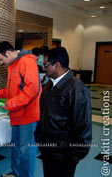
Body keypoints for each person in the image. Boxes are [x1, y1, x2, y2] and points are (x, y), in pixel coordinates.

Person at [35, 47, 92, 177]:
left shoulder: (77, 89)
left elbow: (83, 129)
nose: (43, 69)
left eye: (46, 65)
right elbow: (43, 115)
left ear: (57, 65)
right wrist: (39, 139)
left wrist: (71, 157)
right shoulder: (48, 85)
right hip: (48, 150)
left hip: (64, 156)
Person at [0, 41, 41, 177]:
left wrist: (10, 104)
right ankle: (16, 173)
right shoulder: (12, 65)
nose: (1, 63)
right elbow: (14, 89)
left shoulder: (27, 62)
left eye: (1, 59)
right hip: (17, 115)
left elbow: (31, 90)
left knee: (26, 151)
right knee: (16, 148)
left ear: (8, 53)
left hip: (27, 116)